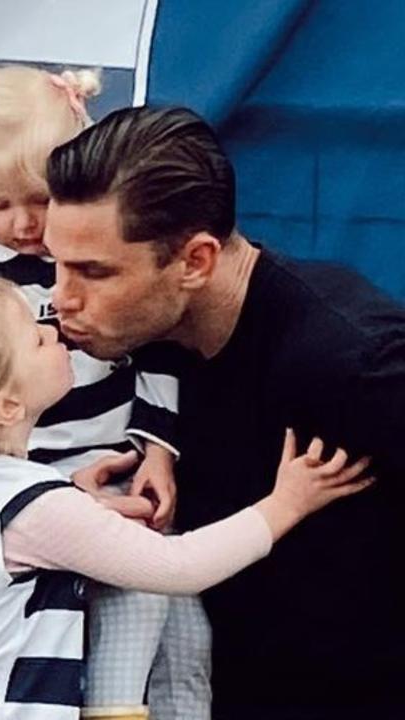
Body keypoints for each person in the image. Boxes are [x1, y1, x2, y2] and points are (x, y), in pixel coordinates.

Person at [0, 273, 371, 719]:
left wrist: (74, 503)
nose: (56, 334)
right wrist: (284, 505)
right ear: (7, 407)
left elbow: (0, 549)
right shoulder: (31, 504)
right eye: (37, 340)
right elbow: (178, 566)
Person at [42, 104, 405, 717]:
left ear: (195, 262)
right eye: (53, 263)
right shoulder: (130, 350)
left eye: (93, 272)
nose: (60, 297)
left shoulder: (349, 358)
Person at [0, 60, 204, 719]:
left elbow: (152, 340)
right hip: (30, 494)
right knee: (111, 625)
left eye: (40, 200)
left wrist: (158, 447)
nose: (23, 223)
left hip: (117, 468)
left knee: (186, 640)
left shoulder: (99, 248)